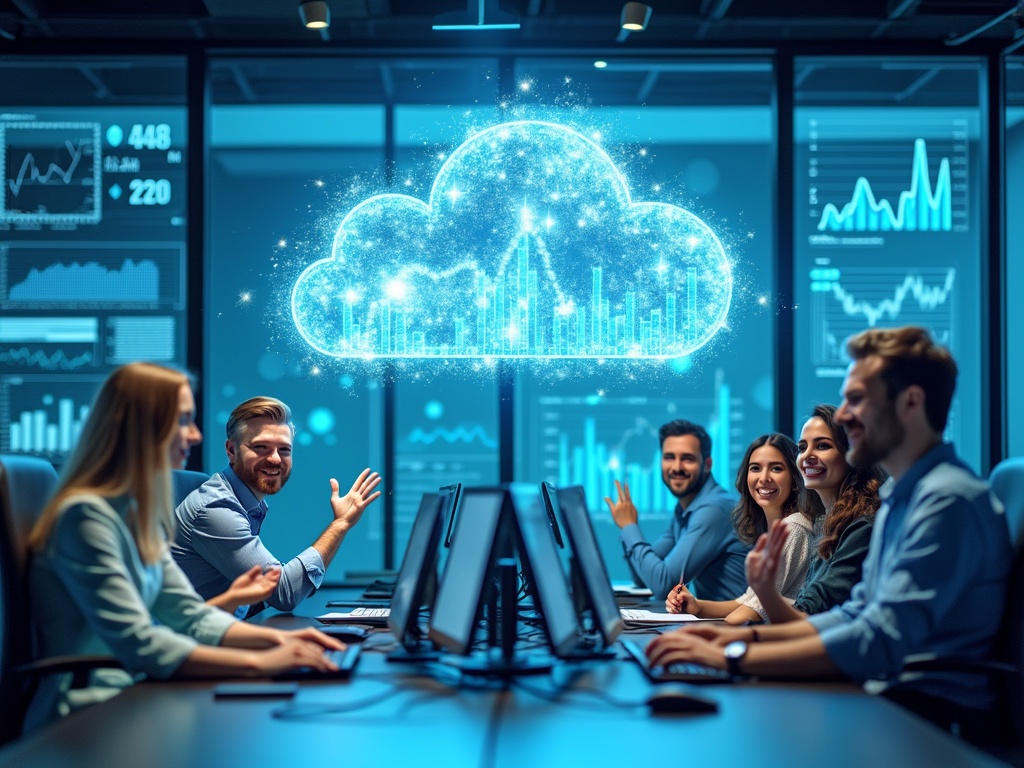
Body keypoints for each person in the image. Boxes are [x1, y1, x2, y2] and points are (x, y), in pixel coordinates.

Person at [647, 327, 1013, 742]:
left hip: (931, 718)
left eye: (857, 399)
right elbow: (854, 616)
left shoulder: (947, 501)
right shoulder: (901, 496)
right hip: (888, 697)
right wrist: (734, 638)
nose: (843, 415)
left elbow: (876, 640)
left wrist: (734, 656)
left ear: (911, 402)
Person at [26, 363, 344, 729]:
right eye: (182, 421)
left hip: (143, 691)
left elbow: (189, 614)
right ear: (138, 430)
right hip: (92, 715)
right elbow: (140, 642)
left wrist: (276, 641)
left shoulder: (135, 514)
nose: (193, 435)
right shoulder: (85, 517)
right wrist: (263, 662)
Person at [172, 396, 381, 618]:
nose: (275, 459)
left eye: (284, 450)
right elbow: (284, 593)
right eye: (261, 447)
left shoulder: (244, 502)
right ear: (232, 451)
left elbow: (264, 587)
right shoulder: (215, 508)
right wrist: (340, 524)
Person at [744, 404, 884, 623]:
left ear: (852, 454)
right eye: (802, 447)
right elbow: (804, 603)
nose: (807, 456)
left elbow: (812, 613)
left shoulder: (862, 526)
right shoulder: (826, 524)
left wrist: (765, 593)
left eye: (822, 446)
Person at [664, 433, 819, 624]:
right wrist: (697, 606)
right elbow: (747, 601)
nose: (764, 478)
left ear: (795, 479)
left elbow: (746, 615)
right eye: (755, 468)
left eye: (776, 468)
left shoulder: (793, 528)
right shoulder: (772, 530)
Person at [604, 419, 746, 601]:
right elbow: (642, 577)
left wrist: (629, 527)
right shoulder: (685, 508)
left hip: (740, 626)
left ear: (707, 464)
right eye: (669, 457)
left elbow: (665, 585)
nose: (677, 468)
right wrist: (627, 530)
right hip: (718, 623)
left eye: (687, 459)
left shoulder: (714, 509)